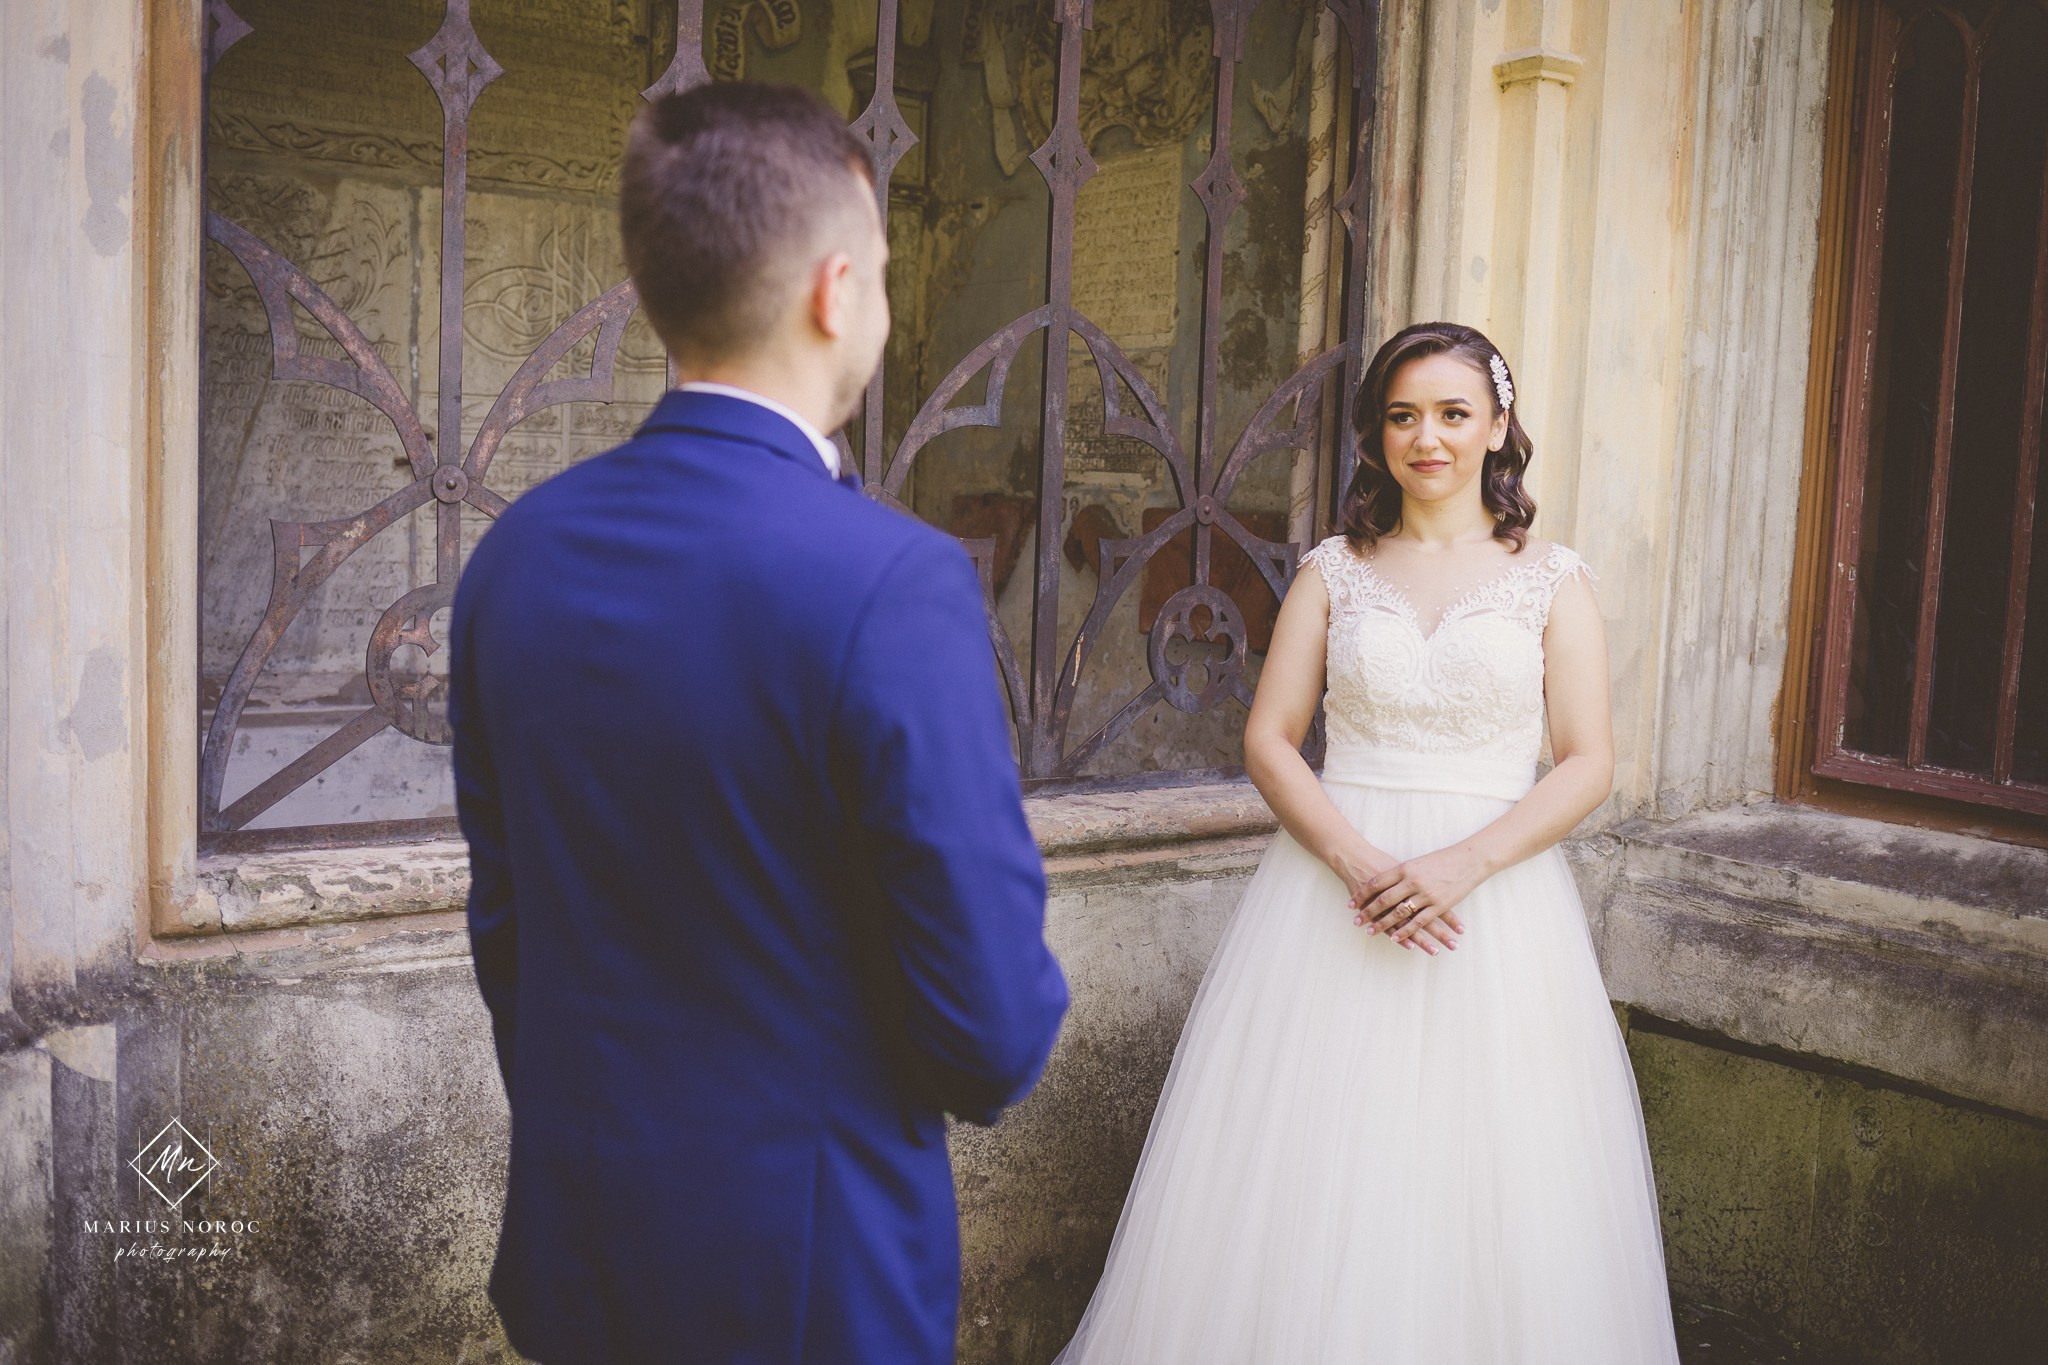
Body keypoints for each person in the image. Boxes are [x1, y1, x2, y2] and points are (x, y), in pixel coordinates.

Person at [448, 83, 1069, 1365]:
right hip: (805, 1277)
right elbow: (991, 1032)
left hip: (579, 1246)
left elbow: (507, 932)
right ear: (837, 291)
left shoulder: (518, 553)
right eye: (881, 272)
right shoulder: (890, 580)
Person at [1053, 322, 1682, 1363]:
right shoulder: (1333, 571)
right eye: (1402, 416)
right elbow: (1269, 739)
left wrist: (1464, 863)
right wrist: (1356, 862)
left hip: (1494, 905)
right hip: (1331, 897)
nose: (1426, 438)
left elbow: (1586, 762)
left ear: (1497, 426)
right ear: (1376, 435)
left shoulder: (1551, 579)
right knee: (1313, 1156)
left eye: (1452, 413)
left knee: (1490, 1167)